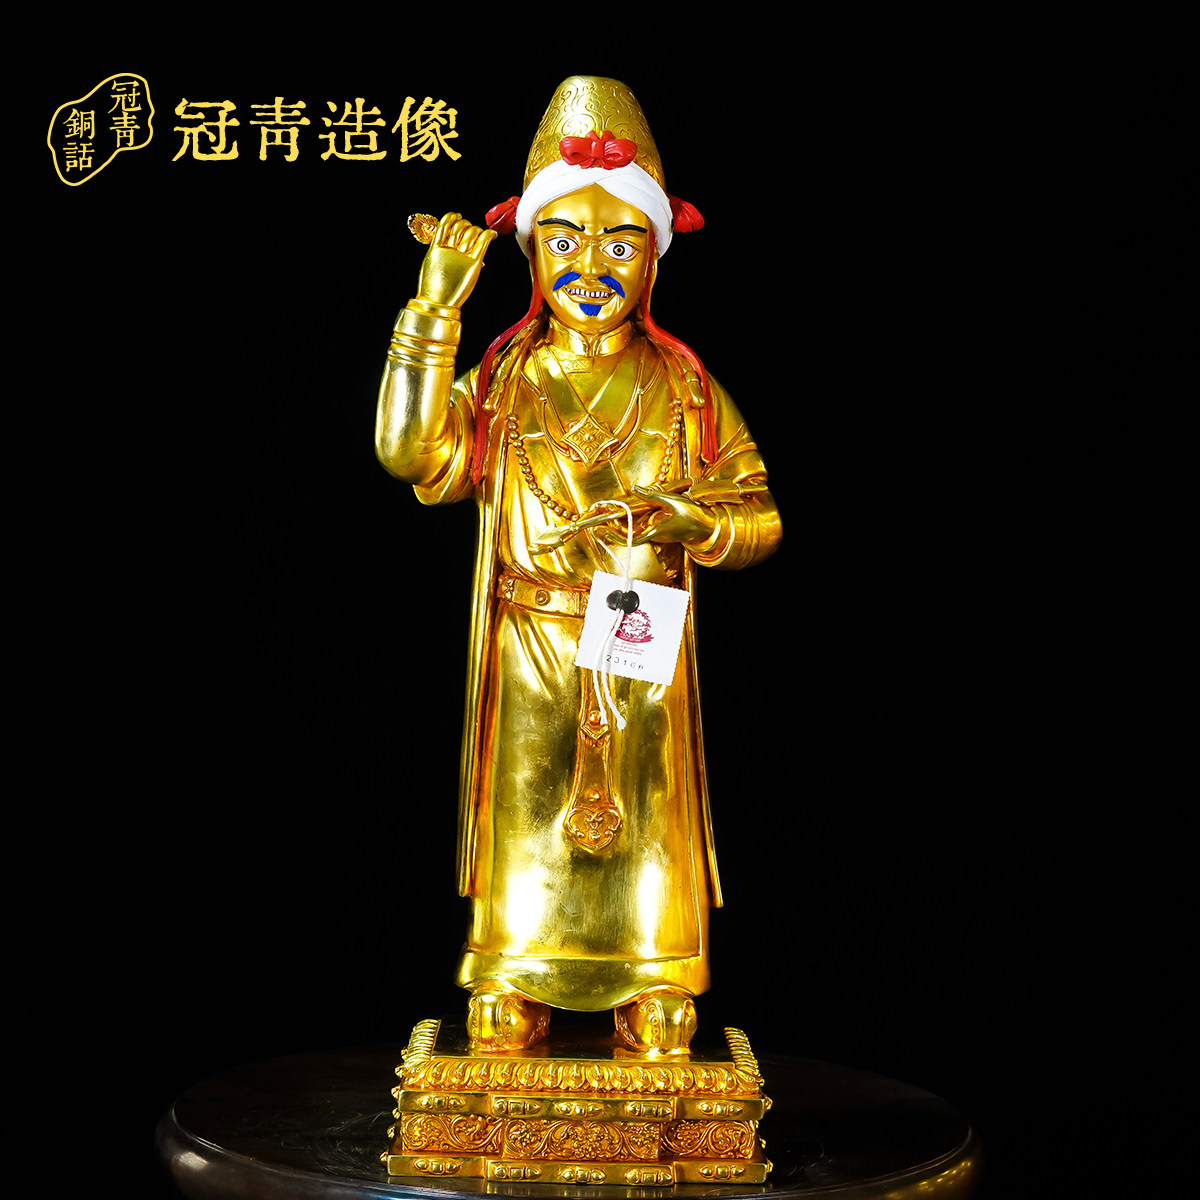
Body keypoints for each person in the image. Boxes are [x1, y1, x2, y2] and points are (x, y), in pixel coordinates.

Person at [376, 77, 780, 1054]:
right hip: (530, 640)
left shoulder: (684, 388)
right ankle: (513, 973)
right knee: (526, 817)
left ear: (654, 256)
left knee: (643, 818)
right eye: (564, 241)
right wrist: (433, 312)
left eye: (619, 243)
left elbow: (761, 517)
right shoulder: (507, 377)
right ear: (530, 252)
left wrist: (689, 518)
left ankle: (655, 975)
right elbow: (412, 454)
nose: (590, 266)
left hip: (639, 636)